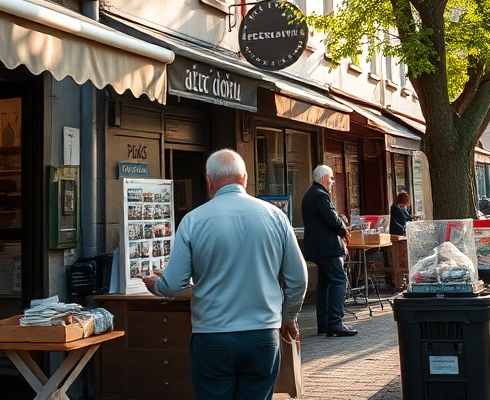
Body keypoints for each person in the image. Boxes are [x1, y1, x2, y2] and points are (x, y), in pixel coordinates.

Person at [141, 149, 307, 400]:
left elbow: (174, 284)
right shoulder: (276, 216)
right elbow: (298, 278)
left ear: (208, 180)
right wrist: (288, 316)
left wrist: (157, 285)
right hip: (263, 334)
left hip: (212, 335)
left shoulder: (193, 220)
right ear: (245, 178)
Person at [302, 165, 357, 337]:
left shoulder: (311, 194)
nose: (333, 182)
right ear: (324, 178)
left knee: (325, 283)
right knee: (339, 280)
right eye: (332, 178)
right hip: (327, 247)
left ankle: (324, 323)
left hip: (317, 248)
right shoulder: (320, 195)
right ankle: (335, 323)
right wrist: (344, 230)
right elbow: (331, 218)